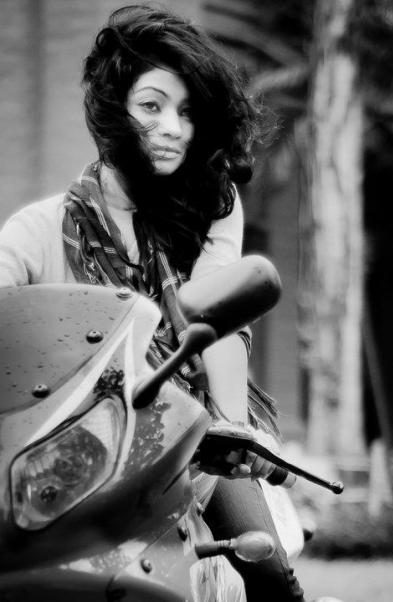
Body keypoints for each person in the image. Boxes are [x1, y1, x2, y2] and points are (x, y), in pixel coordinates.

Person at [0, 4, 305, 601]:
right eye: (152, 106)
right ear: (115, 110)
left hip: (181, 437)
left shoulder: (210, 205)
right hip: (69, 454)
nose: (173, 127)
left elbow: (217, 316)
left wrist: (232, 427)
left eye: (188, 112)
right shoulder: (40, 228)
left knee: (267, 570)